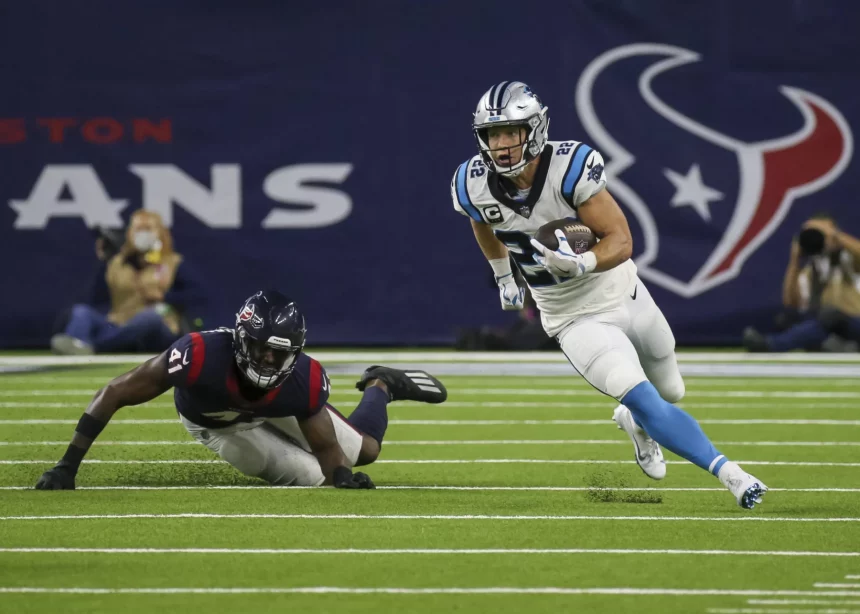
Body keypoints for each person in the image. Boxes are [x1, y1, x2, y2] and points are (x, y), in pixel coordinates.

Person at [450, 81, 767, 508]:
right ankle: (732, 475)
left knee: (671, 391)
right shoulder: (472, 182)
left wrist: (582, 263)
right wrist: (504, 274)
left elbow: (620, 240)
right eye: (493, 134)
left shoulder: (570, 166)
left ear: (535, 129)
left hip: (623, 291)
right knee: (647, 399)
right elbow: (482, 222)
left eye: (511, 132)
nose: (501, 144)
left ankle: (633, 422)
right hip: (571, 318)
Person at [35, 290, 447, 490]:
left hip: (272, 405)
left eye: (277, 353)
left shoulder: (301, 378)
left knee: (365, 453)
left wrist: (343, 476)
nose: (267, 361)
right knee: (303, 477)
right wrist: (68, 465)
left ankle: (380, 384)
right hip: (218, 424)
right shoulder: (197, 356)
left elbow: (327, 449)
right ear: (239, 340)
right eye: (259, 349)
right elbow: (115, 392)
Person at [50, 210, 203, 355]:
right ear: (130, 232)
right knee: (81, 312)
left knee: (151, 317)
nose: (143, 234)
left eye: (148, 228)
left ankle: (91, 347)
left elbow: (195, 295)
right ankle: (78, 343)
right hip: (119, 323)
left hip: (159, 326)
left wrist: (165, 297)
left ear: (160, 232)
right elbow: (96, 297)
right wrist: (103, 261)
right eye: (138, 229)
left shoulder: (172, 262)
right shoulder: (117, 262)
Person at [743, 214, 860, 352]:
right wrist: (794, 261)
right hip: (827, 332)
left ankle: (771, 346)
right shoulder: (810, 272)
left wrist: (833, 234)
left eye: (823, 234)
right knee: (786, 319)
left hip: (853, 327)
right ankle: (823, 348)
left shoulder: (852, 261)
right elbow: (791, 303)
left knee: (831, 314)